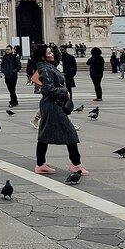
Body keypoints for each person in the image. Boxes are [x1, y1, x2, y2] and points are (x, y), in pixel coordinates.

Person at [33, 45, 87, 177]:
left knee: (44, 135)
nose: (52, 54)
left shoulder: (49, 65)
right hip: (52, 106)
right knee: (70, 133)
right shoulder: (45, 69)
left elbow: (58, 57)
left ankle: (40, 164)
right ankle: (76, 164)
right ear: (43, 56)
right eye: (49, 52)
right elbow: (47, 90)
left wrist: (53, 47)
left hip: (51, 106)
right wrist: (64, 92)